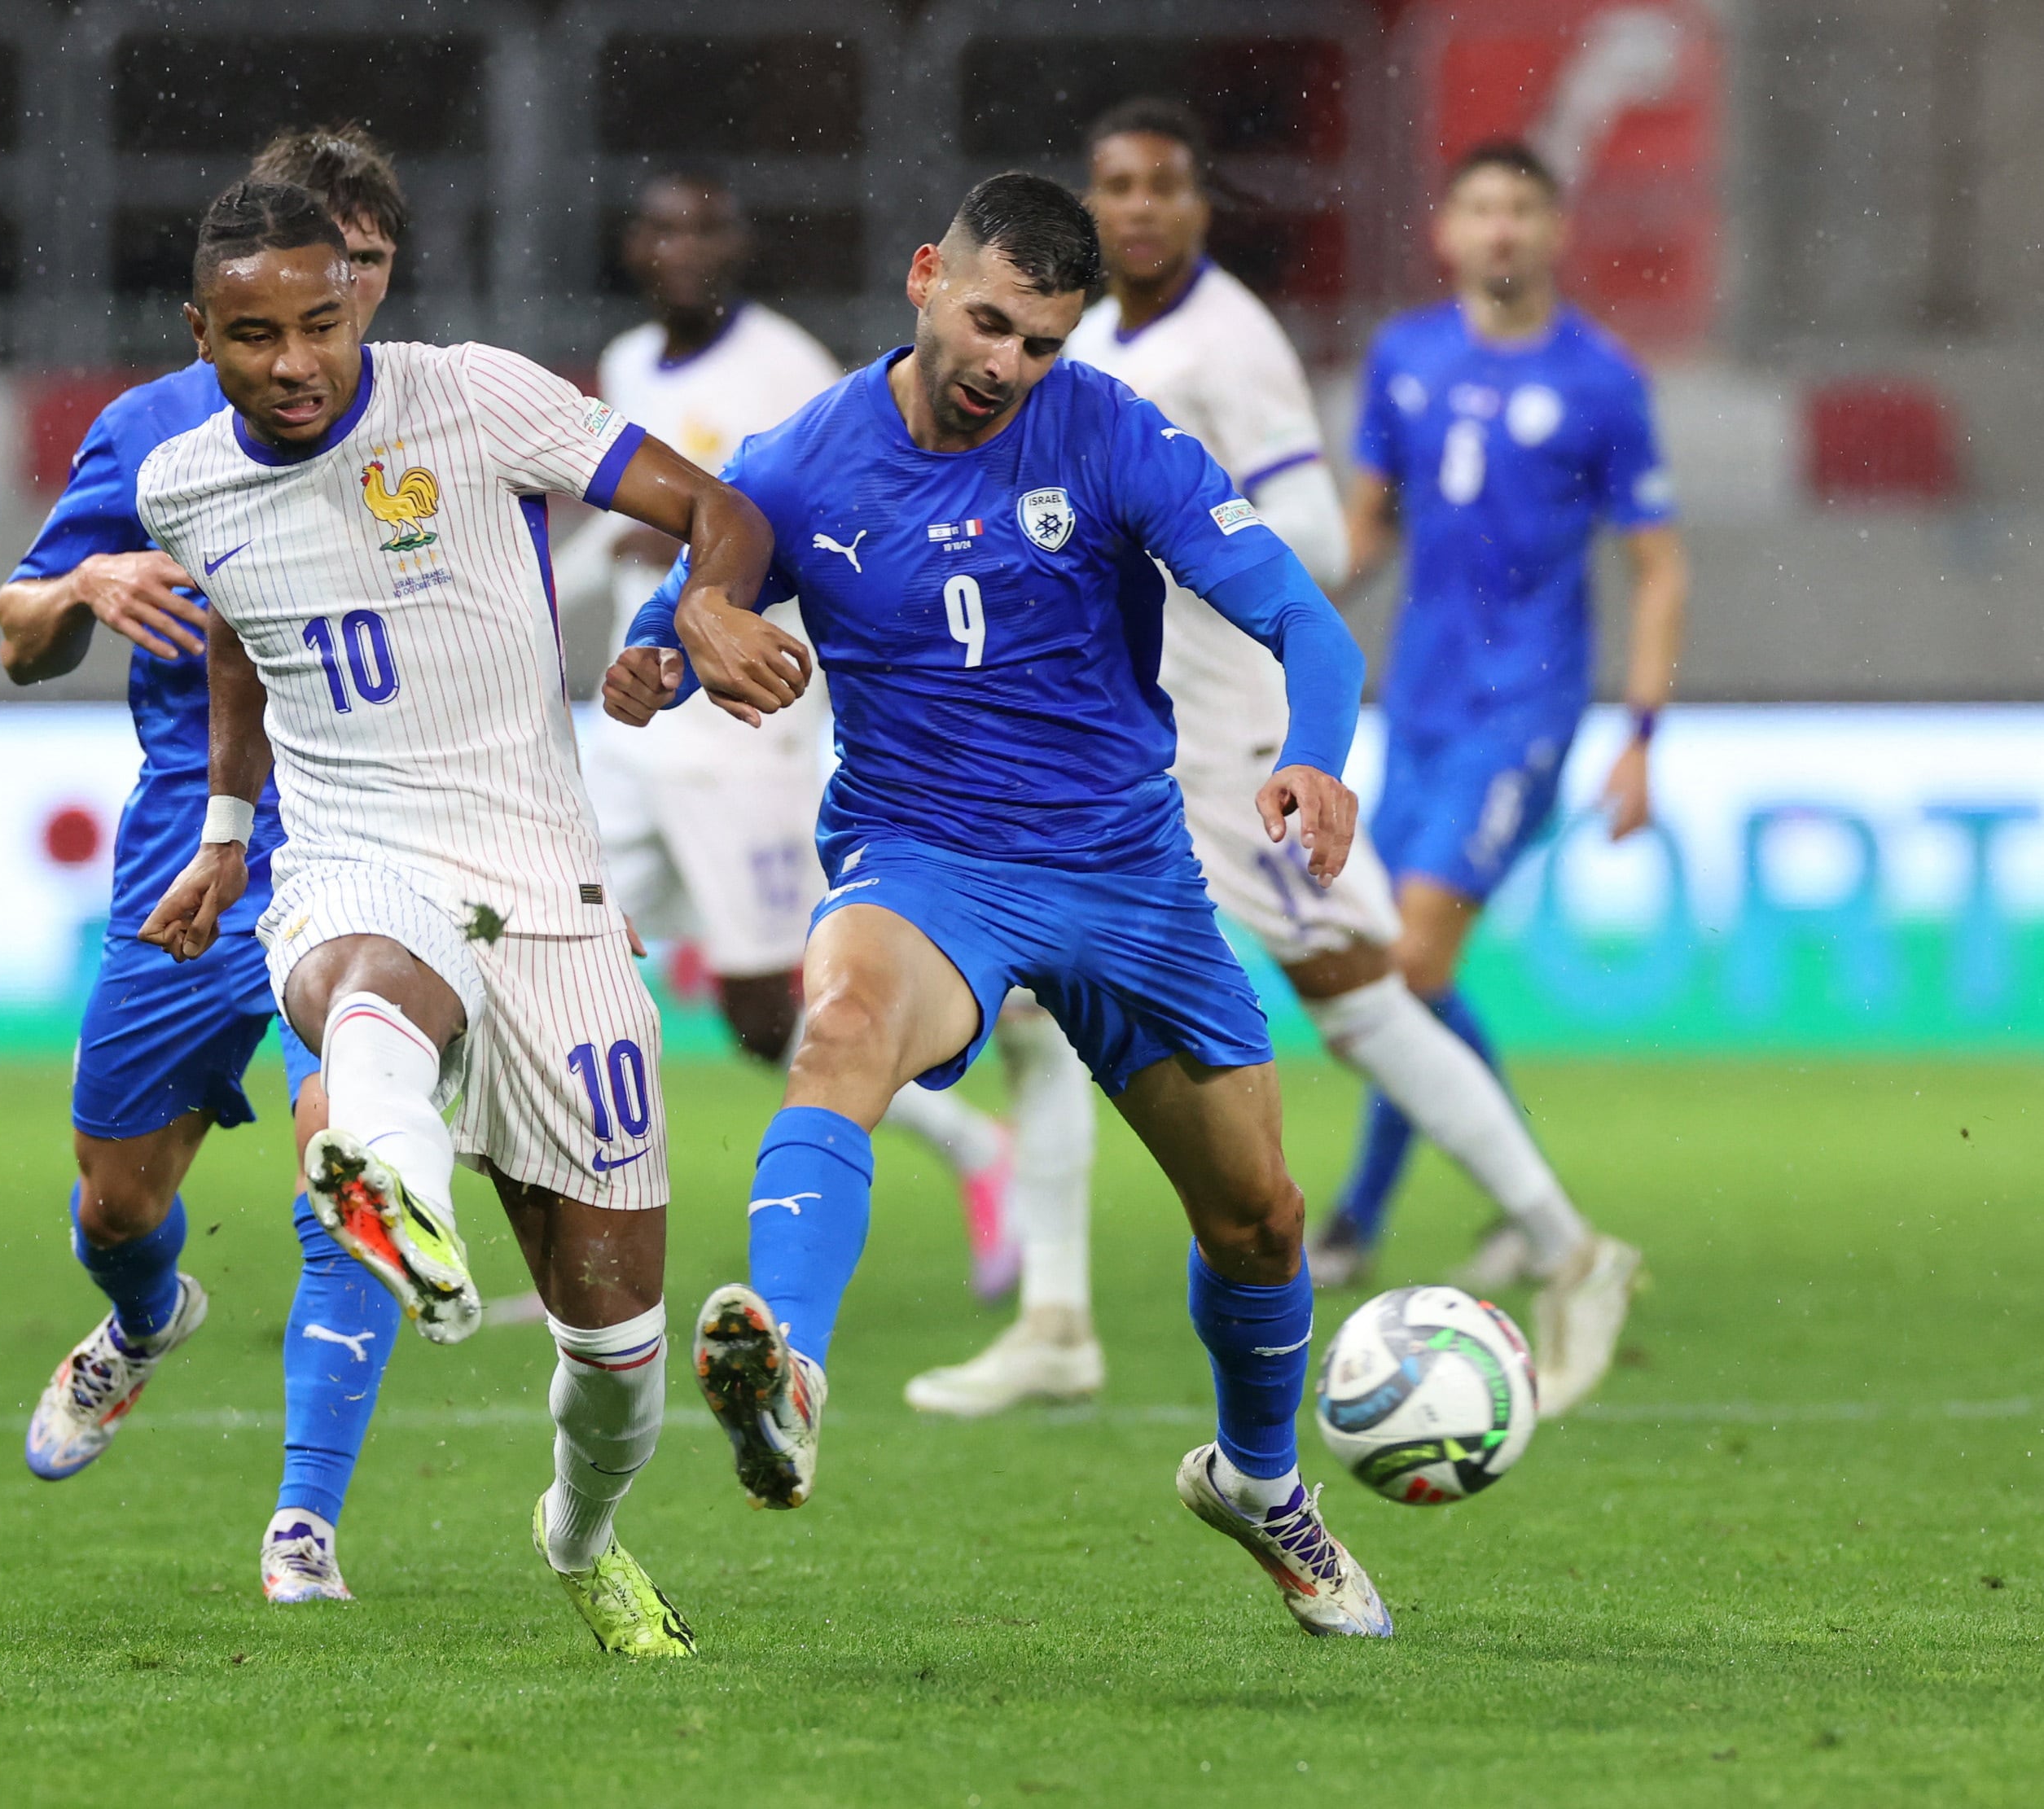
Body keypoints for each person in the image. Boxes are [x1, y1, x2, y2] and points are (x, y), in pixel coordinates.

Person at [607, 173, 1391, 1638]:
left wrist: (1313, 758)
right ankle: (791, 1371)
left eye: (1040, 341)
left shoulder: (1111, 433)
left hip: (1126, 872)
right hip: (925, 861)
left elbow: (1306, 619)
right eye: (986, 323)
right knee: (838, 1025)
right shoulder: (805, 460)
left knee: (1261, 1222)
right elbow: (671, 620)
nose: (1004, 367)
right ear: (924, 279)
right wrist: (666, 656)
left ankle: (1260, 1479)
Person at [909, 100, 1634, 1421]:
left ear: (1199, 205)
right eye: (1115, 184)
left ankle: (1571, 1246)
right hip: (1117, 735)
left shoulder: (1226, 340)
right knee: (1035, 1009)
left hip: (1230, 731)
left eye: (1163, 188)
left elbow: (1307, 521)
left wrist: (1165, 542)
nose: (1136, 208)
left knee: (1361, 997)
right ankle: (1058, 1320)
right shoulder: (1093, 332)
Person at [138, 179, 779, 1658]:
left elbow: (719, 509)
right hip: (355, 854)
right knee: (370, 981)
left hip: (547, 888)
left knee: (616, 1351)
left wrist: (704, 607)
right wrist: (233, 830)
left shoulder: (478, 398)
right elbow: (236, 632)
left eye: (319, 320)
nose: (295, 361)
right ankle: (383, 1171)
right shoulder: (181, 483)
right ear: (200, 334)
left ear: (357, 299)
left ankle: (580, 1531)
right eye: (253, 335)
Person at [0, 126, 433, 1603]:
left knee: (350, 1152)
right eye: (320, 266)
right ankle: (141, 1318)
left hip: (375, 843)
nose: (339, 301)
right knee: (115, 1200)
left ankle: (305, 1520)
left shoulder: (447, 423)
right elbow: (14, 635)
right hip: (193, 858)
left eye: (364, 269)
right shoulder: (153, 430)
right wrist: (82, 581)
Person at [564, 169, 1020, 1298]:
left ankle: (976, 1150)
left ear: (738, 245)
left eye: (709, 226)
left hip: (744, 732)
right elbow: (637, 527)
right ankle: (576, 1240)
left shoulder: (789, 371)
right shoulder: (625, 365)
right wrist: (584, 577)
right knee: (562, 948)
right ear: (636, 247)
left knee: (772, 1013)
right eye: (667, 227)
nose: (687, 249)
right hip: (636, 726)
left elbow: (856, 520)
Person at [1309, 139, 1682, 1404]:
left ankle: (1368, 1215)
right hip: (1414, 702)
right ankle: (1508, 1213)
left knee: (1410, 965)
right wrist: (1273, 618)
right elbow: (1369, 527)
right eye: (1480, 206)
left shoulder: (1601, 380)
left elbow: (1658, 565)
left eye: (1522, 208)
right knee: (1389, 973)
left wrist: (1641, 735)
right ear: (1447, 230)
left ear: (1554, 231)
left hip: (1525, 708)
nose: (1501, 229)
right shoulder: (1407, 361)